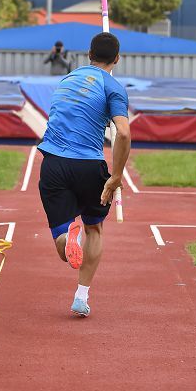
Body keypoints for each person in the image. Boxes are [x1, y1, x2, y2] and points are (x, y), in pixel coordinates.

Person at [38, 31, 131, 317]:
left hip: (52, 163)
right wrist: (115, 177)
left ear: (88, 55)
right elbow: (124, 133)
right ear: (117, 58)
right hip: (89, 166)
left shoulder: (66, 80)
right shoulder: (113, 87)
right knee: (94, 228)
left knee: (61, 240)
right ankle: (81, 296)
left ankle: (68, 241)